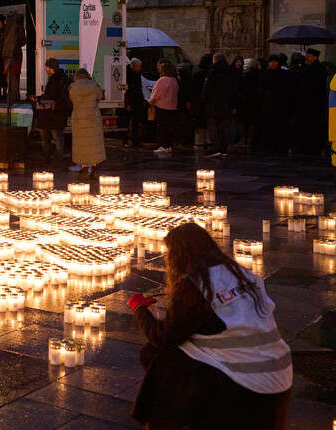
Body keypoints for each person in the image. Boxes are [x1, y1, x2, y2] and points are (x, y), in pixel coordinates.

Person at [129, 223, 292, 429]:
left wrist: (139, 310)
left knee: (157, 354)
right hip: (281, 370)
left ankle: (176, 418)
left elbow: (165, 337)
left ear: (179, 255)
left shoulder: (196, 285)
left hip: (248, 381)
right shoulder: (244, 274)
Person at [30, 58, 71, 162]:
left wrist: (41, 99)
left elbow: (55, 96)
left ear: (52, 68)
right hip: (54, 113)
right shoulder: (60, 79)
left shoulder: (58, 80)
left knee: (51, 135)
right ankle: (54, 157)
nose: (45, 69)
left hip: (53, 113)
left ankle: (50, 157)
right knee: (54, 135)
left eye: (47, 67)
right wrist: (39, 98)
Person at [69, 68, 105, 180]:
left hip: (79, 119)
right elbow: (100, 97)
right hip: (92, 118)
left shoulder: (72, 87)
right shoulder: (94, 86)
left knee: (81, 144)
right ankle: (94, 169)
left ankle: (84, 168)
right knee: (93, 144)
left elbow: (71, 100)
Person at [201, 53, 238, 158]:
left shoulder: (212, 71)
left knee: (213, 126)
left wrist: (205, 100)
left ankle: (216, 147)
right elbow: (234, 90)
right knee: (225, 127)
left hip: (214, 103)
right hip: (227, 104)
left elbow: (206, 88)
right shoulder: (230, 71)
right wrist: (234, 105)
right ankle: (224, 149)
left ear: (214, 60)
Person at [297, 48, 329, 154]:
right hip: (306, 103)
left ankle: (314, 145)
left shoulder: (319, 69)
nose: (307, 58)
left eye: (309, 56)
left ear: (315, 58)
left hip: (314, 103)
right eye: (306, 56)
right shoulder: (308, 68)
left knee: (314, 125)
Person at [149, 61, 181, 153]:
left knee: (162, 127)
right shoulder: (174, 80)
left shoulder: (162, 80)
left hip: (162, 106)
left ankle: (164, 145)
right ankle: (168, 145)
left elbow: (156, 94)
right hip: (172, 106)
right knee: (169, 127)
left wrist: (150, 102)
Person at [236, 59, 263, 149]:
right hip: (255, 101)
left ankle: (242, 139)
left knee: (241, 121)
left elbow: (240, 88)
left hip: (244, 101)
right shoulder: (260, 75)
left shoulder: (245, 76)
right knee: (252, 121)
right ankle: (250, 141)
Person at [124, 59, 148, 148]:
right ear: (132, 66)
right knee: (129, 121)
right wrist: (127, 103)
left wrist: (142, 100)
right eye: (138, 67)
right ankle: (128, 140)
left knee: (136, 121)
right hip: (131, 100)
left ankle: (135, 140)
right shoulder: (127, 73)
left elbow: (139, 87)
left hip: (137, 100)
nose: (140, 68)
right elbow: (128, 90)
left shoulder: (137, 73)